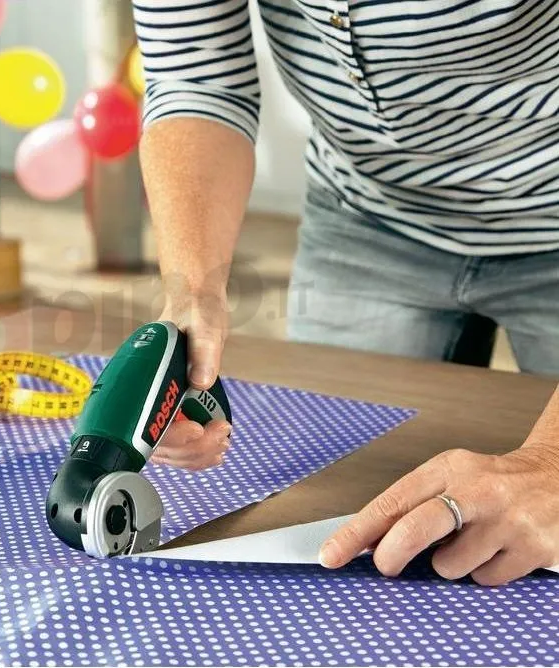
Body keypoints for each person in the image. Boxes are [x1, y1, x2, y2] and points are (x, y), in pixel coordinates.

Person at [133, 0, 559, 585]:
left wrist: (552, 462)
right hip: (366, 212)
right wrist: (194, 291)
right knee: (338, 510)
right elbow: (195, 78)